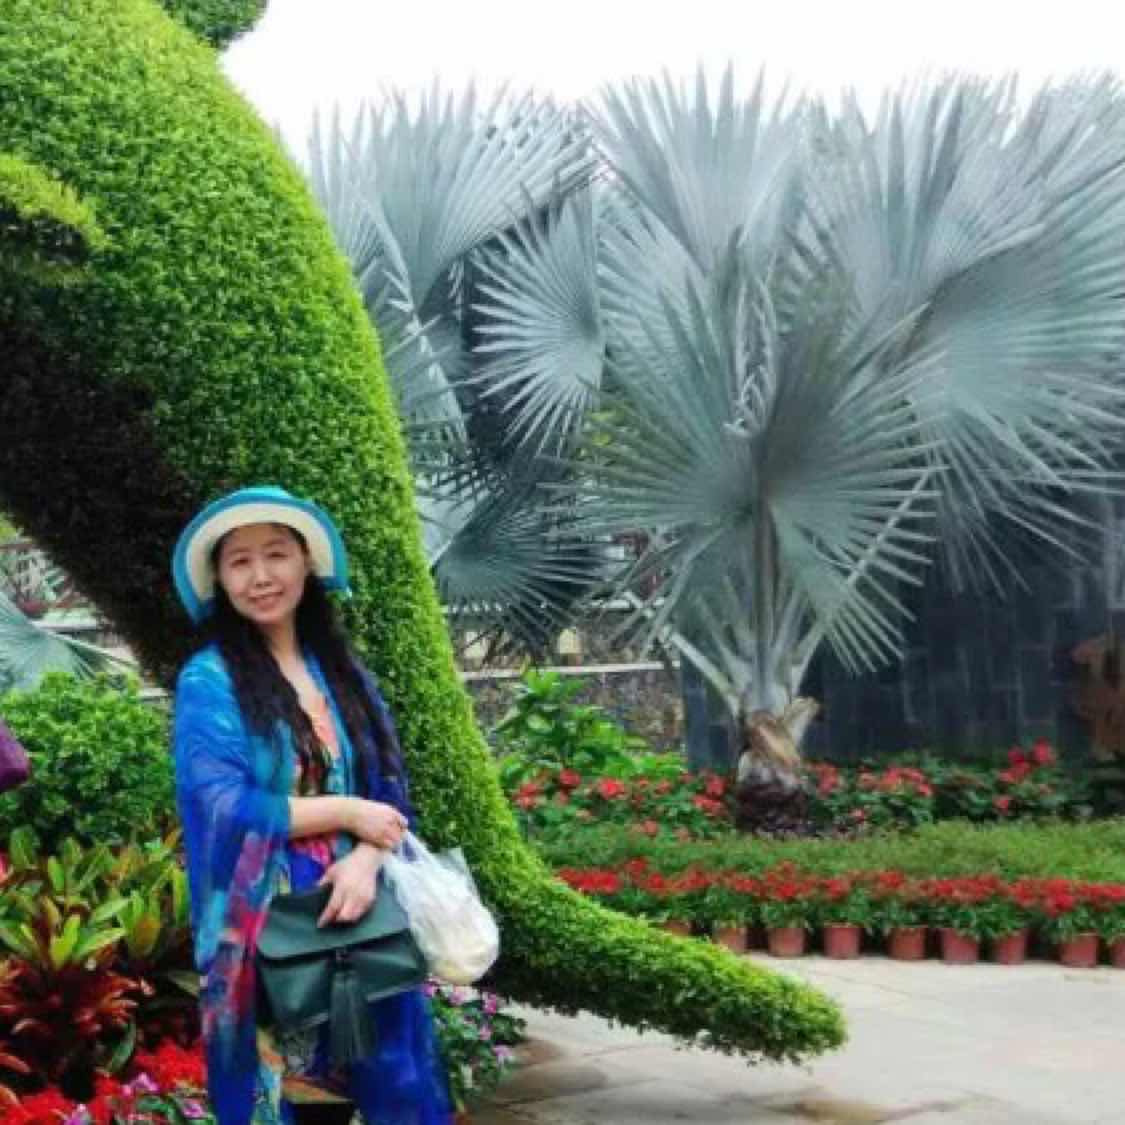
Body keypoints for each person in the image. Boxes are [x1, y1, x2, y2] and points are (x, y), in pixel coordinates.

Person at [171, 485, 453, 1125]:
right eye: (240, 561)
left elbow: (389, 791)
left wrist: (365, 862)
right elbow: (223, 805)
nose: (261, 576)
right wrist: (346, 813)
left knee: (390, 1080)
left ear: (306, 563)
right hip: (265, 933)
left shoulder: (342, 671)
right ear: (219, 579)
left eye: (276, 553)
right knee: (283, 1094)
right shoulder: (209, 681)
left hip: (362, 916)